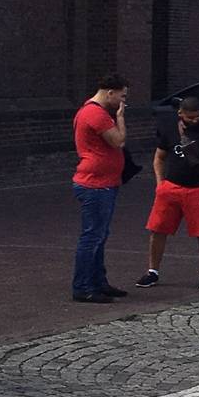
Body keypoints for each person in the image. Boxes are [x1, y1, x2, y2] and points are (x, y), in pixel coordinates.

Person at [137, 96, 199, 290]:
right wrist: (160, 184)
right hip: (172, 186)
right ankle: (153, 271)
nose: (195, 120)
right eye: (191, 117)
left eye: (198, 116)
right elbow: (159, 158)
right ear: (181, 114)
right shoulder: (169, 129)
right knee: (158, 229)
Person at [71, 75, 130, 304]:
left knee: (99, 235)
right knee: (92, 236)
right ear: (110, 93)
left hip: (103, 182)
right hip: (95, 184)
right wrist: (121, 118)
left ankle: (97, 282)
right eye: (122, 96)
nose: (123, 102)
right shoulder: (95, 114)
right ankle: (83, 286)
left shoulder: (92, 112)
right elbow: (118, 141)